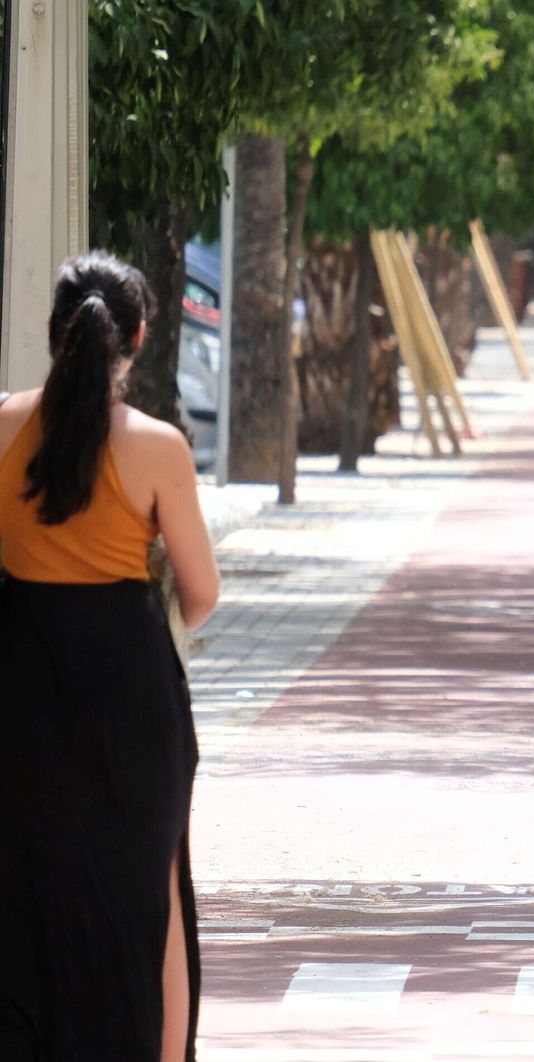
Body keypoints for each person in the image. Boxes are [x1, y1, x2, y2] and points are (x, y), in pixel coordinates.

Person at [0, 251, 219, 1059]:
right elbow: (202, 592)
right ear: (134, 337)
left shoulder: (1, 429)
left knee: (24, 885)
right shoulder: (157, 447)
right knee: (152, 888)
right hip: (129, 688)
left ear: (55, 333)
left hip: (23, 679)